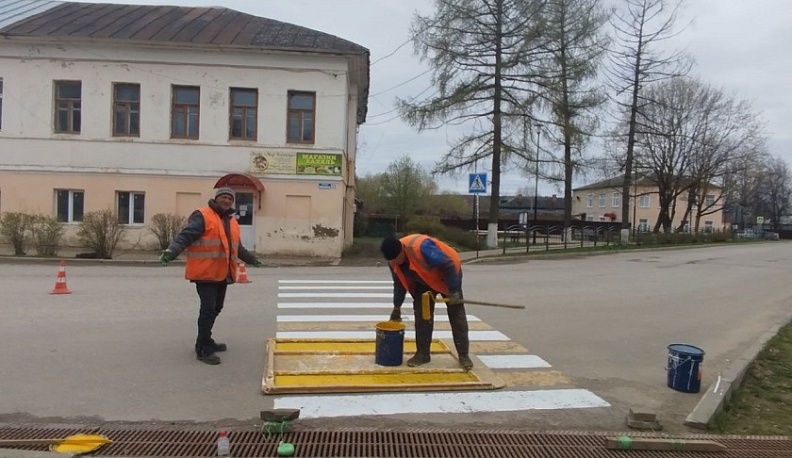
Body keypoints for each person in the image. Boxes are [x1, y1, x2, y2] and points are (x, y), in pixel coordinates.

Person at [159, 186, 262, 365]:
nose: (227, 201)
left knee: (216, 308)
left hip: (222, 273)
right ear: (216, 198)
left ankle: (207, 339)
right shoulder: (203, 215)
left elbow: (237, 247)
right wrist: (171, 251)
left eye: (230, 199)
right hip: (205, 272)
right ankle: (202, 348)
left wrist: (252, 259)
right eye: (224, 197)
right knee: (208, 309)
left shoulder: (231, 221)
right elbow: (186, 236)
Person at [379, 234, 473, 370]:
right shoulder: (392, 261)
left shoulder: (421, 248)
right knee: (422, 315)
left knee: (456, 315)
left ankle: (464, 355)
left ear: (402, 250)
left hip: (448, 277)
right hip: (424, 281)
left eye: (397, 259)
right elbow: (399, 283)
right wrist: (397, 307)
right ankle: (423, 354)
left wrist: (453, 292)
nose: (396, 262)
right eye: (392, 260)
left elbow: (447, 264)